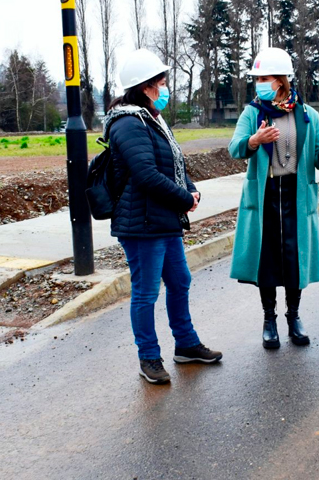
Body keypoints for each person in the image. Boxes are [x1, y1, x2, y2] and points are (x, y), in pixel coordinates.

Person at [104, 48, 222, 385]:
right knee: (146, 293)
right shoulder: (128, 123)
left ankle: (186, 344)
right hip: (141, 224)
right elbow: (146, 174)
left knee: (180, 280)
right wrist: (184, 199)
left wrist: (191, 190)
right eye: (162, 82)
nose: (166, 87)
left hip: (163, 219)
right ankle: (149, 357)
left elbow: (173, 165)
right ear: (146, 86)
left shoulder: (152, 119)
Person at [228, 47, 319, 349]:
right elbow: (235, 147)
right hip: (265, 195)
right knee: (266, 258)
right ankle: (269, 320)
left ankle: (294, 316)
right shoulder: (253, 113)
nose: (259, 84)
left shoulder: (307, 115)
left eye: (264, 78)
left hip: (296, 194)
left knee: (293, 257)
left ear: (280, 80)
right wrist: (254, 140)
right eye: (257, 79)